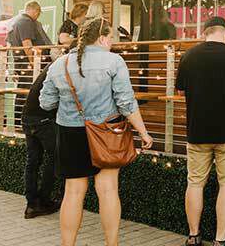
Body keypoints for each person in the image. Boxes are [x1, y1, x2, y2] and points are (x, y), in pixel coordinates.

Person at [40, 17, 153, 246]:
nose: (112, 42)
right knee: (108, 190)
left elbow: (46, 102)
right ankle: (112, 244)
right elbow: (126, 103)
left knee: (73, 192)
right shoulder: (114, 61)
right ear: (102, 38)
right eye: (111, 38)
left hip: (69, 132)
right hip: (105, 132)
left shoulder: (59, 64)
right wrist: (143, 132)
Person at [175, 17, 225, 246]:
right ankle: (220, 240)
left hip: (197, 130)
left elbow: (180, 91)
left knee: (194, 183)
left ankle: (193, 236)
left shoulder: (189, 56)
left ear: (205, 33)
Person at [21, 63, 60, 219]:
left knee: (33, 161)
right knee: (55, 158)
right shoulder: (64, 67)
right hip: (43, 119)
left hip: (27, 117)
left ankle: (31, 204)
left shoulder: (53, 65)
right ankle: (43, 201)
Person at [8, 0, 52, 125]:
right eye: (38, 12)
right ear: (34, 9)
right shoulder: (26, 22)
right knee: (27, 93)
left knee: (23, 92)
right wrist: (34, 64)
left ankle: (19, 122)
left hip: (23, 63)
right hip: (29, 65)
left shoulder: (18, 22)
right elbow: (27, 44)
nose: (38, 15)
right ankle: (22, 122)